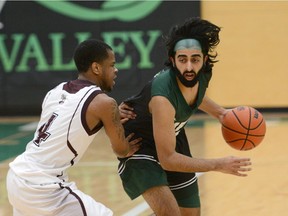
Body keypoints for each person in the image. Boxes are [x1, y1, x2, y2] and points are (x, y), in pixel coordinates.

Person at [117, 17, 252, 216]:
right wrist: (218, 164)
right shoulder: (163, 97)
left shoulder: (203, 74)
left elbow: (195, 93)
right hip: (139, 146)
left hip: (171, 137)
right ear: (172, 60)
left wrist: (221, 113)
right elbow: (169, 159)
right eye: (182, 59)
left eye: (195, 59)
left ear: (205, 59)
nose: (189, 67)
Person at [6, 39, 141, 216]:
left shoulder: (55, 91)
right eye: (112, 65)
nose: (116, 70)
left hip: (17, 177)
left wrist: (111, 116)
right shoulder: (104, 103)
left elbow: (72, 121)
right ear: (96, 68)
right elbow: (121, 150)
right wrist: (120, 132)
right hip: (43, 187)